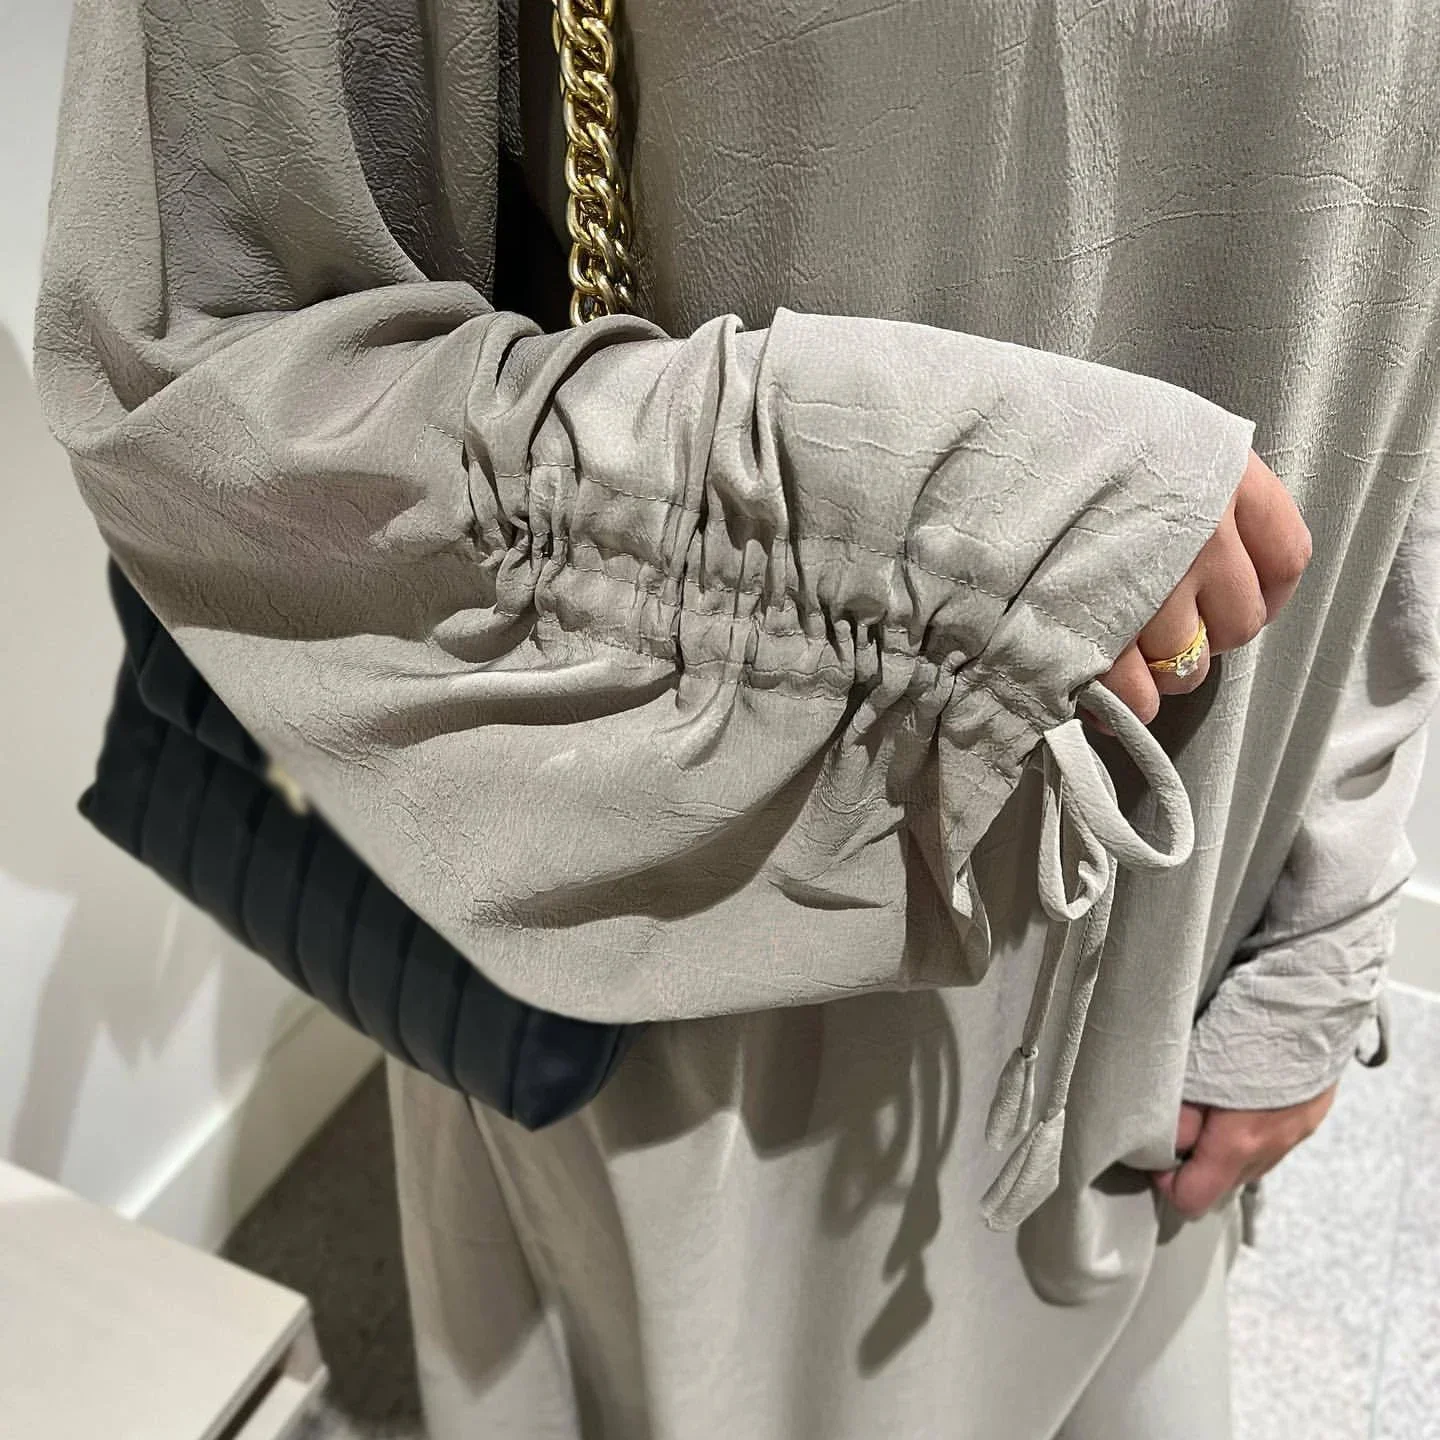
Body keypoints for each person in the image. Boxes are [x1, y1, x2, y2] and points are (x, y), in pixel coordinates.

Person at [33, 0, 1440, 1435]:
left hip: (1203, 925)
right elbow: (196, 366)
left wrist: (1329, 905)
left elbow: (1390, 293)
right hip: (723, 993)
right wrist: (923, 518)